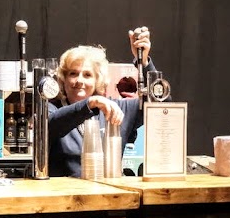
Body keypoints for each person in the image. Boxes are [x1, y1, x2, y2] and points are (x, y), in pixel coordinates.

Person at [46, 26, 163, 177]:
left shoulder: (118, 108)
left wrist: (144, 62)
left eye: (87, 75)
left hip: (111, 190)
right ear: (63, 78)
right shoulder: (52, 109)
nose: (79, 80)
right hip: (67, 191)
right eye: (73, 74)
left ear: (98, 80)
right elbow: (49, 125)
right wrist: (90, 104)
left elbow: (161, 105)